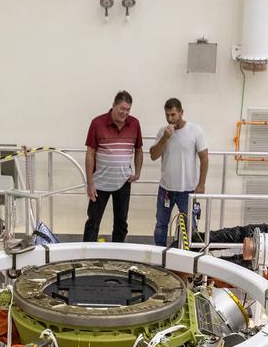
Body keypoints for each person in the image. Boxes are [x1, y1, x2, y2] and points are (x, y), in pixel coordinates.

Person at [83, 90, 143, 242]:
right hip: (99, 183)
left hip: (123, 182)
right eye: (122, 108)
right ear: (113, 106)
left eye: (128, 109)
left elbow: (138, 150)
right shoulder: (97, 123)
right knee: (93, 222)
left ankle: (118, 253)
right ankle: (87, 253)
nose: (125, 113)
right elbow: (90, 153)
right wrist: (89, 183)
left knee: (121, 223)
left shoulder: (134, 124)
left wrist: (137, 172)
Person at [149, 98, 208, 245]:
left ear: (181, 112)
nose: (170, 119)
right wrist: (165, 138)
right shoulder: (163, 132)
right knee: (161, 225)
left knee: (190, 227)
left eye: (173, 114)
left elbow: (204, 158)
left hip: (187, 190)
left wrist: (201, 184)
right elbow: (153, 155)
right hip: (166, 189)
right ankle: (160, 255)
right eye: (167, 115)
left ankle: (189, 257)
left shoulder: (195, 131)